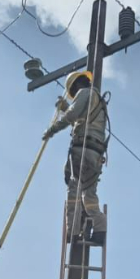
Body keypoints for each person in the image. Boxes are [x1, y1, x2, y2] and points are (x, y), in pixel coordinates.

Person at [43, 67, 109, 242]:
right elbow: (80, 118)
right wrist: (66, 107)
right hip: (95, 152)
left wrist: (52, 129)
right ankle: (99, 229)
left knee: (73, 188)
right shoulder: (98, 100)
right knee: (88, 194)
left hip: (83, 149)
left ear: (75, 87)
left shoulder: (84, 92)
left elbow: (72, 116)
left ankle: (73, 231)